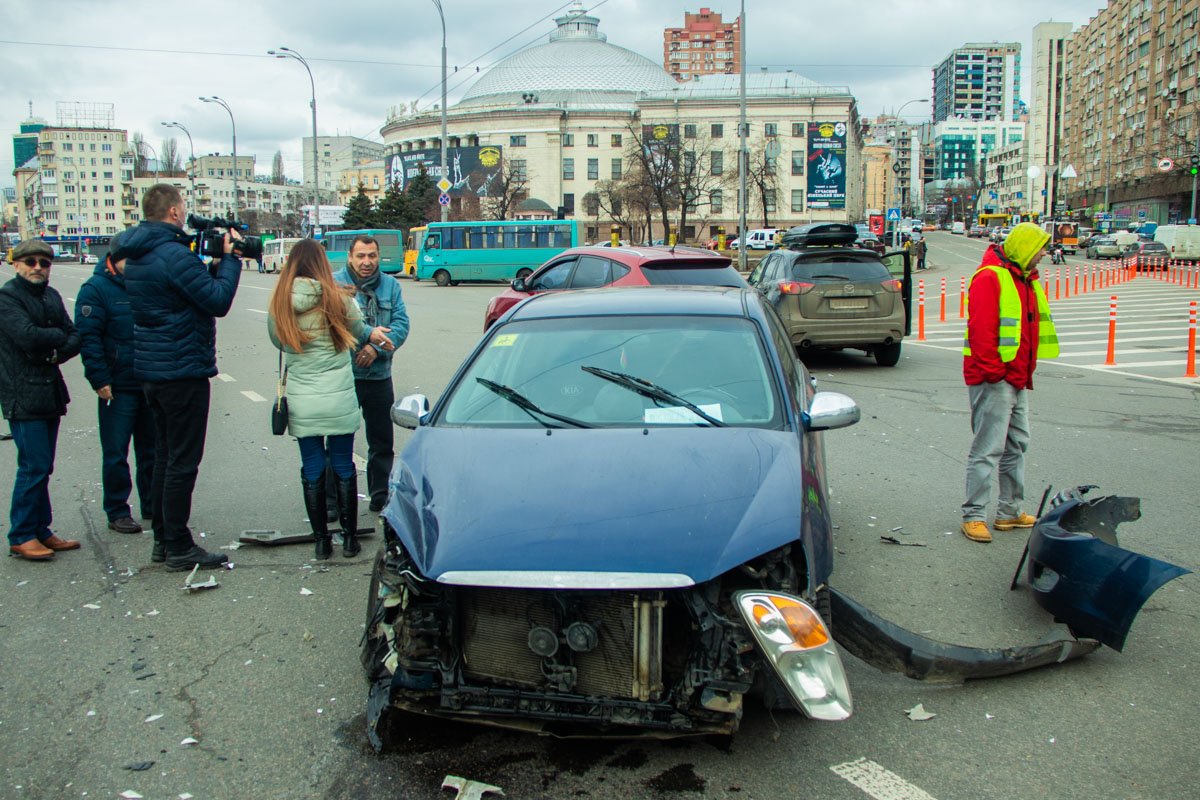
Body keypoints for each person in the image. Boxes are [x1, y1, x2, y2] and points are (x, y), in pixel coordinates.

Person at [121, 184, 241, 570]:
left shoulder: (139, 254)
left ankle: (163, 541)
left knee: (164, 459)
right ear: (173, 212)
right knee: (182, 463)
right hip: (182, 370)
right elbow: (218, 301)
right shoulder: (174, 255)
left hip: (155, 372)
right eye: (183, 207)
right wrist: (232, 259)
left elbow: (183, 296)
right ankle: (178, 545)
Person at [268, 239, 395, 559]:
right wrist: (376, 336)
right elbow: (361, 329)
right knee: (343, 463)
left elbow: (277, 342)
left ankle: (322, 542)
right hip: (339, 396)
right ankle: (350, 540)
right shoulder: (339, 300)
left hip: (303, 399)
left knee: (312, 467)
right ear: (323, 266)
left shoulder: (281, 305)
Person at [961, 222, 1059, 543]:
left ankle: (1009, 511)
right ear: (1025, 249)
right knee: (988, 449)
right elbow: (982, 333)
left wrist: (1017, 375)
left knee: (1017, 444)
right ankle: (974, 515)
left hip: (1016, 377)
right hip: (995, 378)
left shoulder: (1023, 278)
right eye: (1040, 248)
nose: (1044, 254)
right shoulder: (991, 277)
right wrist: (995, 374)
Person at [0, 240, 82, 560]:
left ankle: (41, 529)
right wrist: (55, 341)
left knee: (43, 466)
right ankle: (21, 534)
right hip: (22, 393)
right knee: (33, 466)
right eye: (30, 262)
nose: (37, 267)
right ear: (16, 264)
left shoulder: (50, 296)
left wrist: (53, 348)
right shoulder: (7, 298)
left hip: (48, 390)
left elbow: (74, 336)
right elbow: (27, 336)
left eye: (44, 263)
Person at [75, 231, 156, 536]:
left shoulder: (143, 284)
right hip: (116, 385)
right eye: (129, 260)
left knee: (151, 450)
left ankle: (151, 503)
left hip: (148, 380)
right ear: (113, 259)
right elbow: (89, 338)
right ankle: (118, 510)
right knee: (115, 452)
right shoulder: (95, 289)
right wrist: (99, 378)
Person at [332, 235, 410, 513]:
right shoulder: (334, 283)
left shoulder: (391, 286)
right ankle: (333, 501)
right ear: (350, 258)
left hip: (378, 375)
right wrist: (362, 346)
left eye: (372, 256)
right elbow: (332, 325)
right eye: (361, 256)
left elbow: (401, 324)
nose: (367, 262)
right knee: (338, 439)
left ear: (379, 257)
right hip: (344, 375)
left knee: (381, 442)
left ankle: (380, 496)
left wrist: (376, 350)